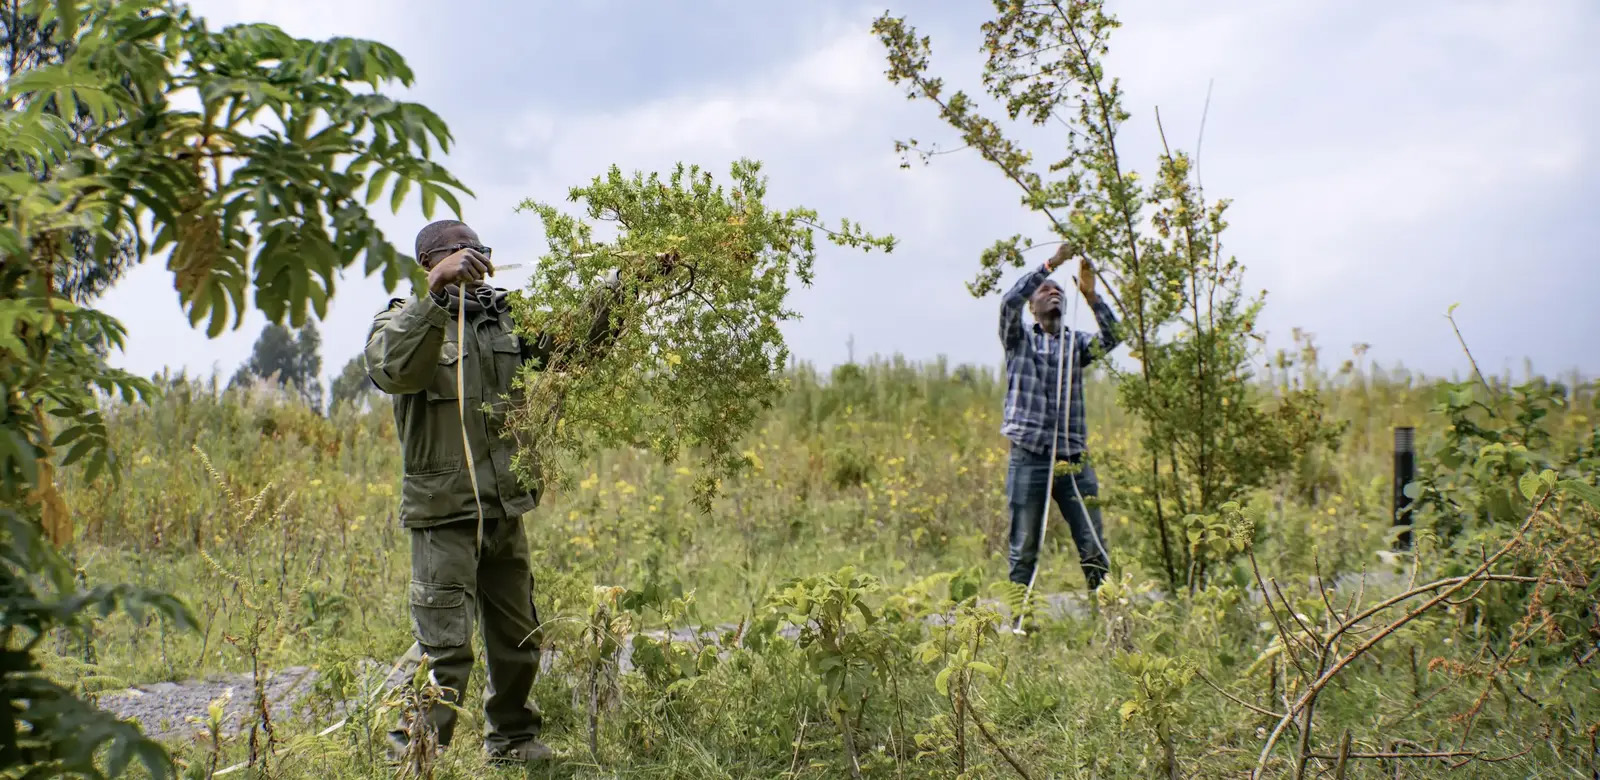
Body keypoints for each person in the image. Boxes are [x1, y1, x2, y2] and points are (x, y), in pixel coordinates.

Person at [364, 219, 674, 765]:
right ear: (429, 262)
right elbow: (392, 369)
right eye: (459, 253)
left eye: (479, 250)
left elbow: (575, 344)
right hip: (444, 517)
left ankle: (513, 743)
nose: (474, 259)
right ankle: (409, 757)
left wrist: (629, 285)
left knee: (520, 638)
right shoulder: (399, 321)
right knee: (445, 650)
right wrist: (437, 294)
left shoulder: (503, 321)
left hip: (505, 509)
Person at [999, 244, 1120, 605]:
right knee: (1024, 548)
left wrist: (1091, 295)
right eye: (1044, 290)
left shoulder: (1076, 344)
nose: (1053, 292)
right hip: (1030, 457)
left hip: (1073, 461)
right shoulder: (1018, 339)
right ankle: (1021, 622)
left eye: (1058, 290)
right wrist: (1052, 264)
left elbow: (1113, 338)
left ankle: (1109, 618)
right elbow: (1008, 302)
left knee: (1093, 543)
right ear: (1032, 307)